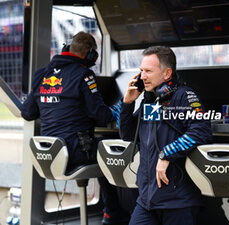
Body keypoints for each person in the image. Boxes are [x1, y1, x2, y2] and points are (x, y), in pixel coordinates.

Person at [21, 31, 132, 225]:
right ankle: (119, 214)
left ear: (66, 49)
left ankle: (111, 213)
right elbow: (101, 116)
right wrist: (121, 107)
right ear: (90, 55)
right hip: (76, 152)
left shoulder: (41, 74)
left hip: (50, 153)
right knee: (120, 150)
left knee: (102, 149)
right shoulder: (84, 75)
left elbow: (28, 113)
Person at [118, 46, 212, 225]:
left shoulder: (184, 96)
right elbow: (129, 135)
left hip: (177, 201)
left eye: (148, 71)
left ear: (167, 73)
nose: (142, 76)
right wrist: (128, 103)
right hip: (147, 199)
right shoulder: (152, 101)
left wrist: (167, 153)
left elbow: (201, 130)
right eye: (141, 71)